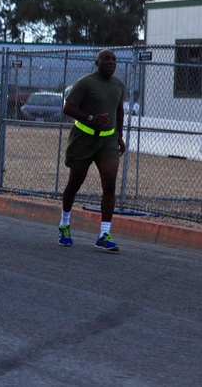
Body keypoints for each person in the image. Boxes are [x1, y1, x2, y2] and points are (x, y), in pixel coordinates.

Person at [58, 49, 127, 252]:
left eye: (114, 59)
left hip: (107, 141)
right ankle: (64, 224)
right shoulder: (86, 83)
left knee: (110, 185)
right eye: (106, 59)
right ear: (97, 62)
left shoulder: (119, 85)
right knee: (74, 184)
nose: (111, 62)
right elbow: (68, 108)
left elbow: (119, 111)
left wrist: (119, 136)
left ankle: (104, 234)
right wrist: (90, 118)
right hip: (84, 138)